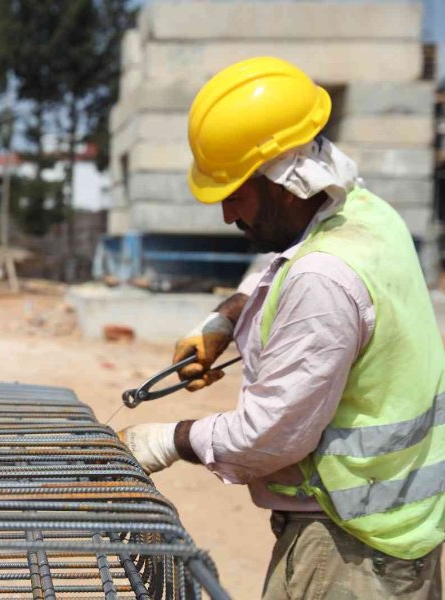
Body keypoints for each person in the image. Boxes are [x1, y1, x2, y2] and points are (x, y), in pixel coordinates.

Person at [118, 57, 443, 599]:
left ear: (286, 183)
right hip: (395, 532)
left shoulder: (321, 280)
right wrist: (225, 319)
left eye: (235, 194)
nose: (226, 215)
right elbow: (286, 257)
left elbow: (267, 438)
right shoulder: (365, 213)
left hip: (352, 551)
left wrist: (169, 440)